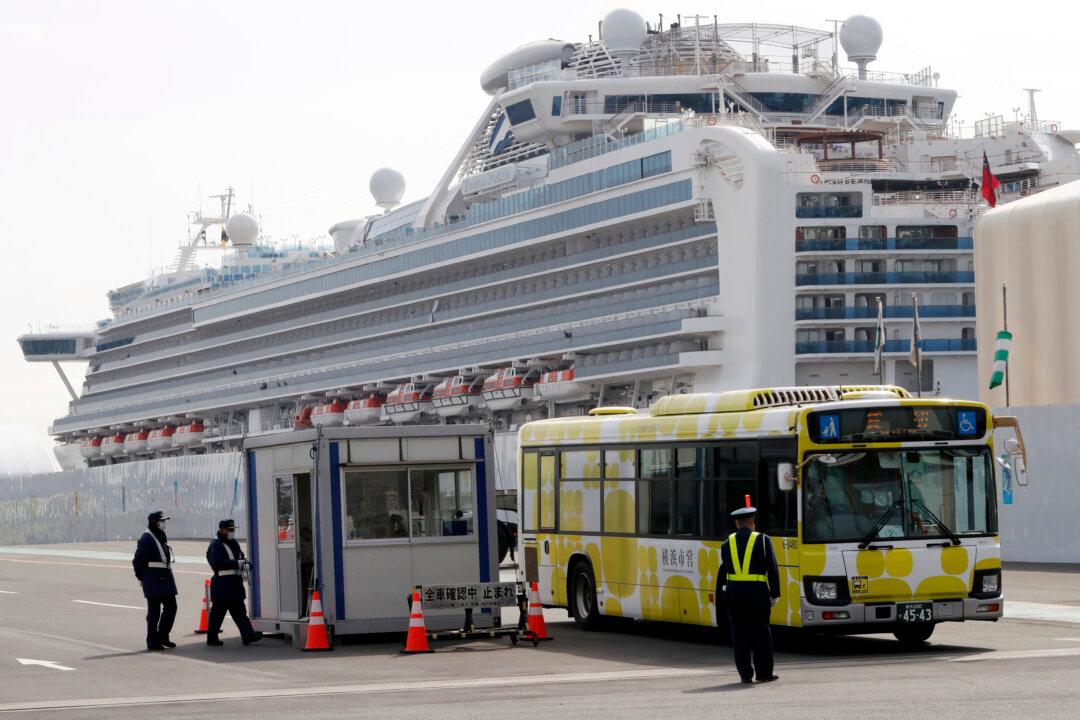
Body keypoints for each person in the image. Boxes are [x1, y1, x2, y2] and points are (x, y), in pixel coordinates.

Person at [718, 505, 781, 684]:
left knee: (740, 635)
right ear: (753, 522)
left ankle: (745, 675)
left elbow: (725, 568)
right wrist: (775, 593)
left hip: (735, 595)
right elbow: (773, 568)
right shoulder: (762, 540)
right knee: (762, 633)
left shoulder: (726, 543)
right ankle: (764, 673)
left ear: (737, 523)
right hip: (758, 593)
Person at [205, 519, 263, 646]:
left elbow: (240, 557)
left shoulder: (233, 543)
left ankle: (248, 635)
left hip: (234, 584)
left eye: (233, 530)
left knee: (239, 611)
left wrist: (245, 563)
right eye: (229, 530)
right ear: (222, 530)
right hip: (222, 585)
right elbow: (217, 564)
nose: (232, 532)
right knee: (218, 613)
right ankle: (212, 638)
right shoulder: (216, 544)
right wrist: (237, 563)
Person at [132, 510, 178, 651]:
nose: (164, 523)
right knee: (154, 612)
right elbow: (137, 561)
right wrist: (143, 578)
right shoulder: (146, 538)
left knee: (171, 607)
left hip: (164, 579)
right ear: (154, 523)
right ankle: (152, 641)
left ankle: (163, 636)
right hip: (153, 580)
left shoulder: (160, 535)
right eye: (161, 521)